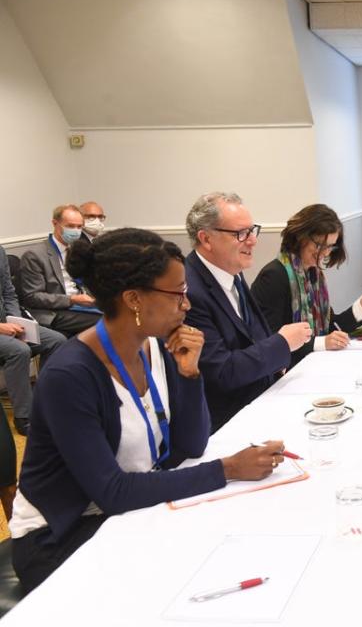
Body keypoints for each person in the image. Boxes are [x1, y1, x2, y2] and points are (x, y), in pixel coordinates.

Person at [9, 228, 287, 592]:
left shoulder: (157, 346)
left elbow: (191, 444)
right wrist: (229, 468)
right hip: (62, 536)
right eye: (178, 295)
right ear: (134, 299)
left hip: (127, 513)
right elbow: (113, 490)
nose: (186, 305)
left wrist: (190, 374)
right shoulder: (70, 374)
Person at [183, 192, 312, 431]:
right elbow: (220, 372)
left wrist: (275, 364)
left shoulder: (232, 271)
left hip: (261, 400)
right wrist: (282, 344)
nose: (252, 240)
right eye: (241, 234)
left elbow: (255, 336)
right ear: (206, 239)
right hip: (227, 423)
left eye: (252, 230)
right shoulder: (189, 292)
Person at [251, 204, 362, 368]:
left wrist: (360, 308)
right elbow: (272, 342)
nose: (326, 253)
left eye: (330, 246)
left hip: (311, 364)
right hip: (285, 373)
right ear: (300, 237)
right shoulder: (274, 276)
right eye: (320, 245)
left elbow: (331, 327)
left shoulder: (313, 275)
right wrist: (321, 343)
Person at [0, 245, 66, 436]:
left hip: (7, 324)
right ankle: (24, 417)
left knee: (56, 340)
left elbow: (8, 293)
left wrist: (15, 321)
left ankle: (44, 403)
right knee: (18, 350)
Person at [19, 204, 101, 337]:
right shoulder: (35, 255)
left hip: (81, 304)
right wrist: (72, 299)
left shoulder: (78, 250)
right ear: (55, 223)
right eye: (70, 226)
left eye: (79, 227)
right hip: (53, 311)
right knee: (107, 321)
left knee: (118, 312)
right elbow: (32, 297)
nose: (75, 231)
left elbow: (87, 281)